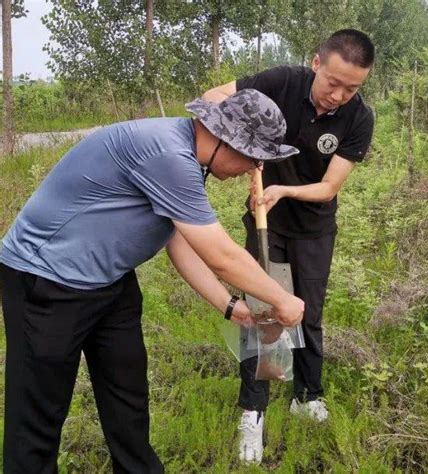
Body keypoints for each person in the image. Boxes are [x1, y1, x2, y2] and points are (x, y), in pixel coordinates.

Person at [0, 89, 305, 473]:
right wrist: (283, 300)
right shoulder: (167, 154)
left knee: (127, 400)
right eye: (254, 157)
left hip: (109, 281)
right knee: (37, 419)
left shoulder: (189, 158)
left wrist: (231, 308)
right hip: (45, 281)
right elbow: (222, 256)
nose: (255, 169)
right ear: (228, 140)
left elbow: (179, 240)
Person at [203, 29, 375, 464]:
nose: (339, 94)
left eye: (351, 87)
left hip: (314, 227)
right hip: (266, 223)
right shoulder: (282, 82)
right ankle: (253, 411)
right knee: (264, 311)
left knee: (308, 312)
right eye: (333, 82)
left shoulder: (359, 117)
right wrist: (235, 138)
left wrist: (284, 190)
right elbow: (213, 96)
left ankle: (306, 395)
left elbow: (330, 185)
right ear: (316, 62)